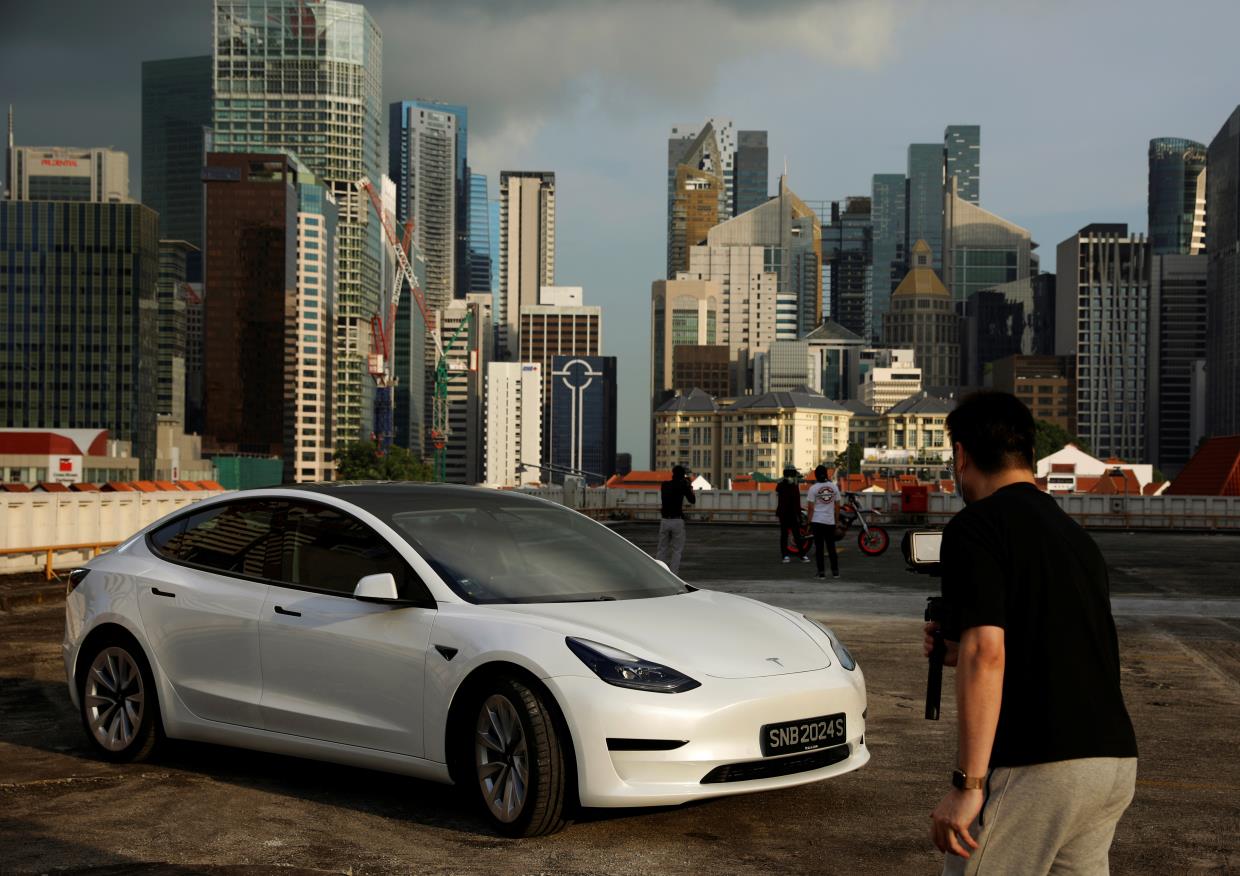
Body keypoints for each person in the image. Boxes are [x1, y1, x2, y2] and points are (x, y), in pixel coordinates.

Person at [924, 391, 1138, 874]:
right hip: (1110, 760)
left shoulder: (976, 526)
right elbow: (1056, 638)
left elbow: (987, 653)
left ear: (961, 454)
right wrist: (958, 651)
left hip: (1039, 764)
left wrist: (968, 784)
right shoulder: (1075, 536)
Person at [656, 465, 695, 575]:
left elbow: (672, 487)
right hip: (677, 520)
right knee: (677, 550)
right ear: (682, 475)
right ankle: (673, 574)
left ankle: (659, 573)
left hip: (664, 520)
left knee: (662, 549)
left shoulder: (664, 485)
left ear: (673, 473)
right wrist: (689, 486)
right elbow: (692, 500)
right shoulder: (683, 486)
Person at [805, 464, 841, 579]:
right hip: (830, 522)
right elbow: (837, 506)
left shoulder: (813, 488)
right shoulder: (834, 487)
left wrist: (809, 523)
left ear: (815, 475)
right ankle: (835, 572)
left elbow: (810, 508)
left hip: (817, 522)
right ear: (826, 474)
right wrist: (837, 521)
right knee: (831, 548)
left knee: (819, 548)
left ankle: (821, 573)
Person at [775, 466, 809, 564]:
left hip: (785, 514)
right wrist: (799, 515)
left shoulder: (781, 485)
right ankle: (801, 555)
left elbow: (796, 502)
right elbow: (797, 503)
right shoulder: (792, 486)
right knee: (794, 535)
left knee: (788, 535)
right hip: (789, 514)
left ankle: (787, 555)